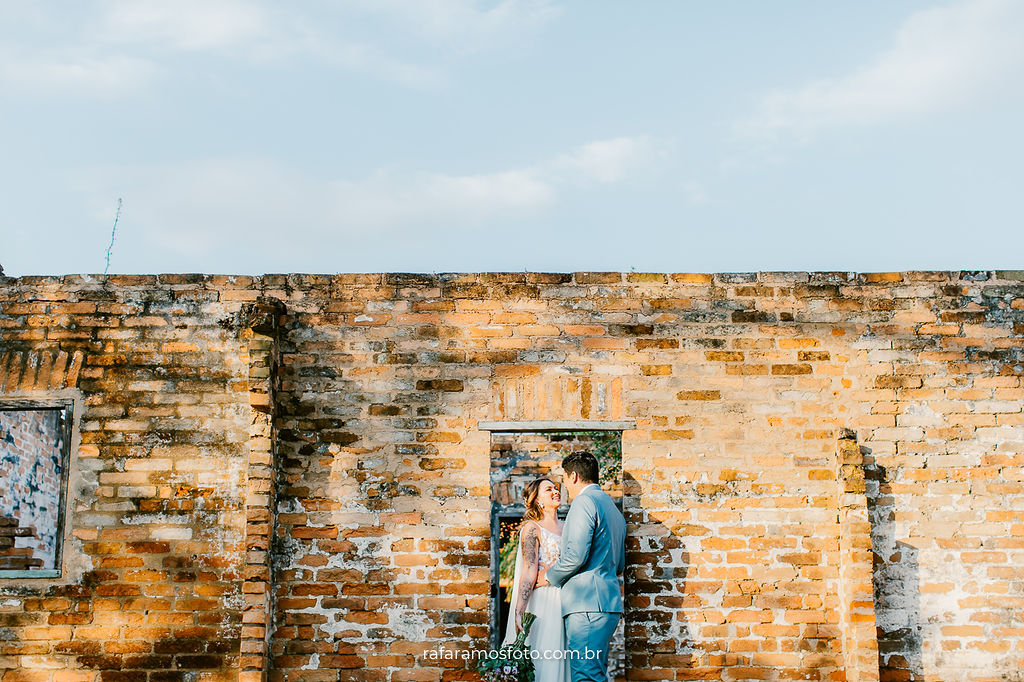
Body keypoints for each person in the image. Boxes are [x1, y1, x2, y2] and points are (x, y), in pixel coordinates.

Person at [536, 452, 625, 682]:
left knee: (585, 676)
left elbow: (575, 555)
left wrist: (548, 576)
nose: (564, 486)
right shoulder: (614, 510)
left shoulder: (584, 502)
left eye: (564, 479)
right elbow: (620, 564)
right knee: (595, 674)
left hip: (586, 606)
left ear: (573, 476)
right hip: (608, 606)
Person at [503, 476, 571, 682]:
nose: (555, 491)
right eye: (548, 489)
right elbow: (529, 570)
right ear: (537, 499)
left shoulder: (569, 526)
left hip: (568, 598)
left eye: (556, 488)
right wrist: (519, 610)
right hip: (544, 601)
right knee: (544, 656)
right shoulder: (532, 528)